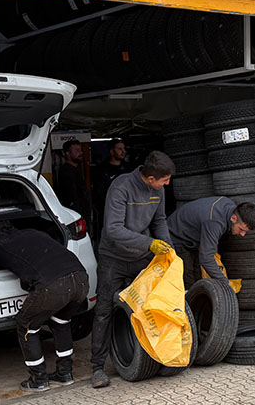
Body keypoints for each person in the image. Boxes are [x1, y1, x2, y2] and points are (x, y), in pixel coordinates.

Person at [90, 150, 175, 389]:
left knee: (150, 306)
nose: (167, 184)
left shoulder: (159, 191)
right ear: (150, 178)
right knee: (104, 310)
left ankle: (158, 357)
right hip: (113, 258)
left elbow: (159, 220)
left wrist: (167, 246)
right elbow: (113, 230)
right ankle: (97, 368)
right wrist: (150, 243)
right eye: (164, 180)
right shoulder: (121, 187)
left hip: (141, 257)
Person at [0, 221, 89, 391]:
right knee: (60, 321)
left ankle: (39, 378)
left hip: (54, 286)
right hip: (81, 279)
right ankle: (65, 373)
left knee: (26, 325)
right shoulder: (34, 232)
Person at [166, 197, 255, 288]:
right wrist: (225, 283)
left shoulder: (229, 207)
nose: (243, 234)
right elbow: (206, 258)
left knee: (198, 278)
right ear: (233, 218)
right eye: (241, 229)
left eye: (245, 232)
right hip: (175, 238)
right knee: (188, 281)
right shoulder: (215, 222)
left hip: (191, 239)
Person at [91, 138, 129, 246]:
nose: (123, 151)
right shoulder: (101, 170)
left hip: (127, 210)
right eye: (119, 149)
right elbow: (98, 193)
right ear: (112, 151)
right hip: (107, 211)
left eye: (124, 148)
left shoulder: (128, 169)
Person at [57, 139, 92, 230]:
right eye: (76, 150)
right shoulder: (66, 172)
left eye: (80, 150)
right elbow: (71, 197)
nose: (80, 153)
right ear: (67, 153)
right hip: (76, 215)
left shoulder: (75, 170)